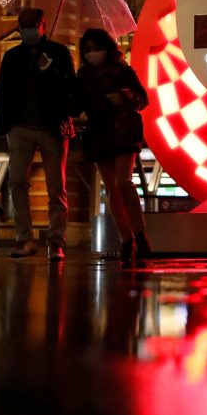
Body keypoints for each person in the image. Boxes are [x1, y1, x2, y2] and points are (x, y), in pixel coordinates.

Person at [0, 7, 75, 261]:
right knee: (17, 181)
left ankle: (56, 241)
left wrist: (49, 70)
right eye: (23, 25)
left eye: (32, 25)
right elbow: (2, 89)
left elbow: (71, 88)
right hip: (20, 127)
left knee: (56, 187)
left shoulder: (59, 53)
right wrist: (7, 122)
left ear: (43, 25)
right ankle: (24, 238)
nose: (27, 30)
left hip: (53, 127)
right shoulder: (12, 56)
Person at [74, 28, 151, 264]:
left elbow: (142, 98)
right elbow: (76, 105)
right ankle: (127, 241)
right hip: (98, 133)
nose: (92, 53)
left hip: (122, 130)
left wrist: (124, 96)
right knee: (112, 189)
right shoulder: (82, 76)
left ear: (107, 48)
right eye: (87, 50)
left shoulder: (123, 71)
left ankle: (139, 236)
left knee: (122, 182)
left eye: (96, 48)